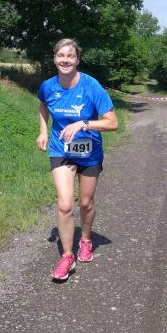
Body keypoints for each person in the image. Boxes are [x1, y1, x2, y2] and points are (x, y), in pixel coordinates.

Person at [37, 38, 118, 281]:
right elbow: (42, 105)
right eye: (61, 55)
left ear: (77, 60)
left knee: (85, 203)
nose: (65, 60)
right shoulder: (48, 86)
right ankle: (67, 256)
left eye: (70, 56)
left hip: (89, 151)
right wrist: (43, 131)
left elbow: (112, 123)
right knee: (65, 204)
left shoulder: (91, 86)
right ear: (55, 59)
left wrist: (83, 123)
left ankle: (85, 239)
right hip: (60, 149)